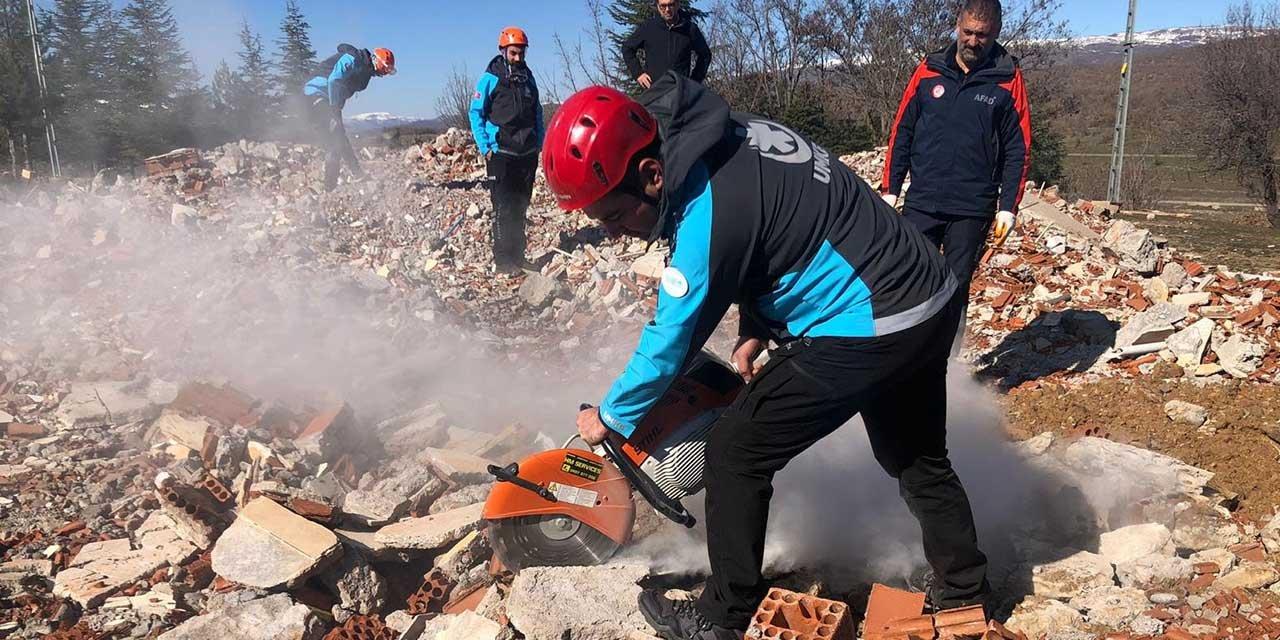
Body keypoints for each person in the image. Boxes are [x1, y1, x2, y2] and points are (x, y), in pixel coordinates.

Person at [544, 74, 990, 640]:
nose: (612, 233)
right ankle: (967, 593)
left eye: (613, 216)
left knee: (736, 452)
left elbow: (671, 338)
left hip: (871, 323)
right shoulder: (727, 135)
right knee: (917, 457)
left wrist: (607, 416)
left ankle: (720, 618)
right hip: (927, 295)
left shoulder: (708, 210)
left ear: (651, 175)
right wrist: (757, 325)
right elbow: (781, 228)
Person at [881, 0, 1031, 344]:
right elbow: (902, 129)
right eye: (968, 32)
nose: (973, 41)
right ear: (957, 27)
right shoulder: (928, 69)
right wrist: (891, 188)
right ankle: (900, 357)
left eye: (982, 35)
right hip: (922, 200)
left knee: (954, 286)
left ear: (995, 33)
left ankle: (946, 367)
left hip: (971, 207)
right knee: (908, 278)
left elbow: (1017, 149)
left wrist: (1008, 207)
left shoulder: (1008, 79)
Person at [469, 27, 545, 274]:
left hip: (527, 152)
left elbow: (537, 112)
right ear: (503, 51)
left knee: (521, 206)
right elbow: (476, 112)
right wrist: (485, 146)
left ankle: (518, 256)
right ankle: (503, 260)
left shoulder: (528, 77)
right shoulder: (490, 77)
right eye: (513, 53)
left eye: (521, 53)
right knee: (503, 207)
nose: (518, 58)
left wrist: (539, 143)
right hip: (501, 153)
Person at [304, 44, 396, 191]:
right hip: (316, 94)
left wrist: (337, 107)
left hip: (330, 100)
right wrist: (334, 108)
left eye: (389, 70)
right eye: (386, 68)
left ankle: (357, 173)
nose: (385, 73)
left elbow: (343, 89)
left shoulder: (365, 72)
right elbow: (334, 80)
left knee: (341, 137)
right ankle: (329, 188)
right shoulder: (353, 58)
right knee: (335, 141)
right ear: (377, 60)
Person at [621, 0, 712, 89]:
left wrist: (694, 81)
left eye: (671, 5)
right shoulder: (648, 27)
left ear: (677, 4)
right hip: (654, 92)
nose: (667, 9)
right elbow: (627, 48)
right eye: (663, 6)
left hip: (681, 92)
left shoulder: (689, 29)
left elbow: (705, 55)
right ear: (657, 6)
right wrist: (638, 73)